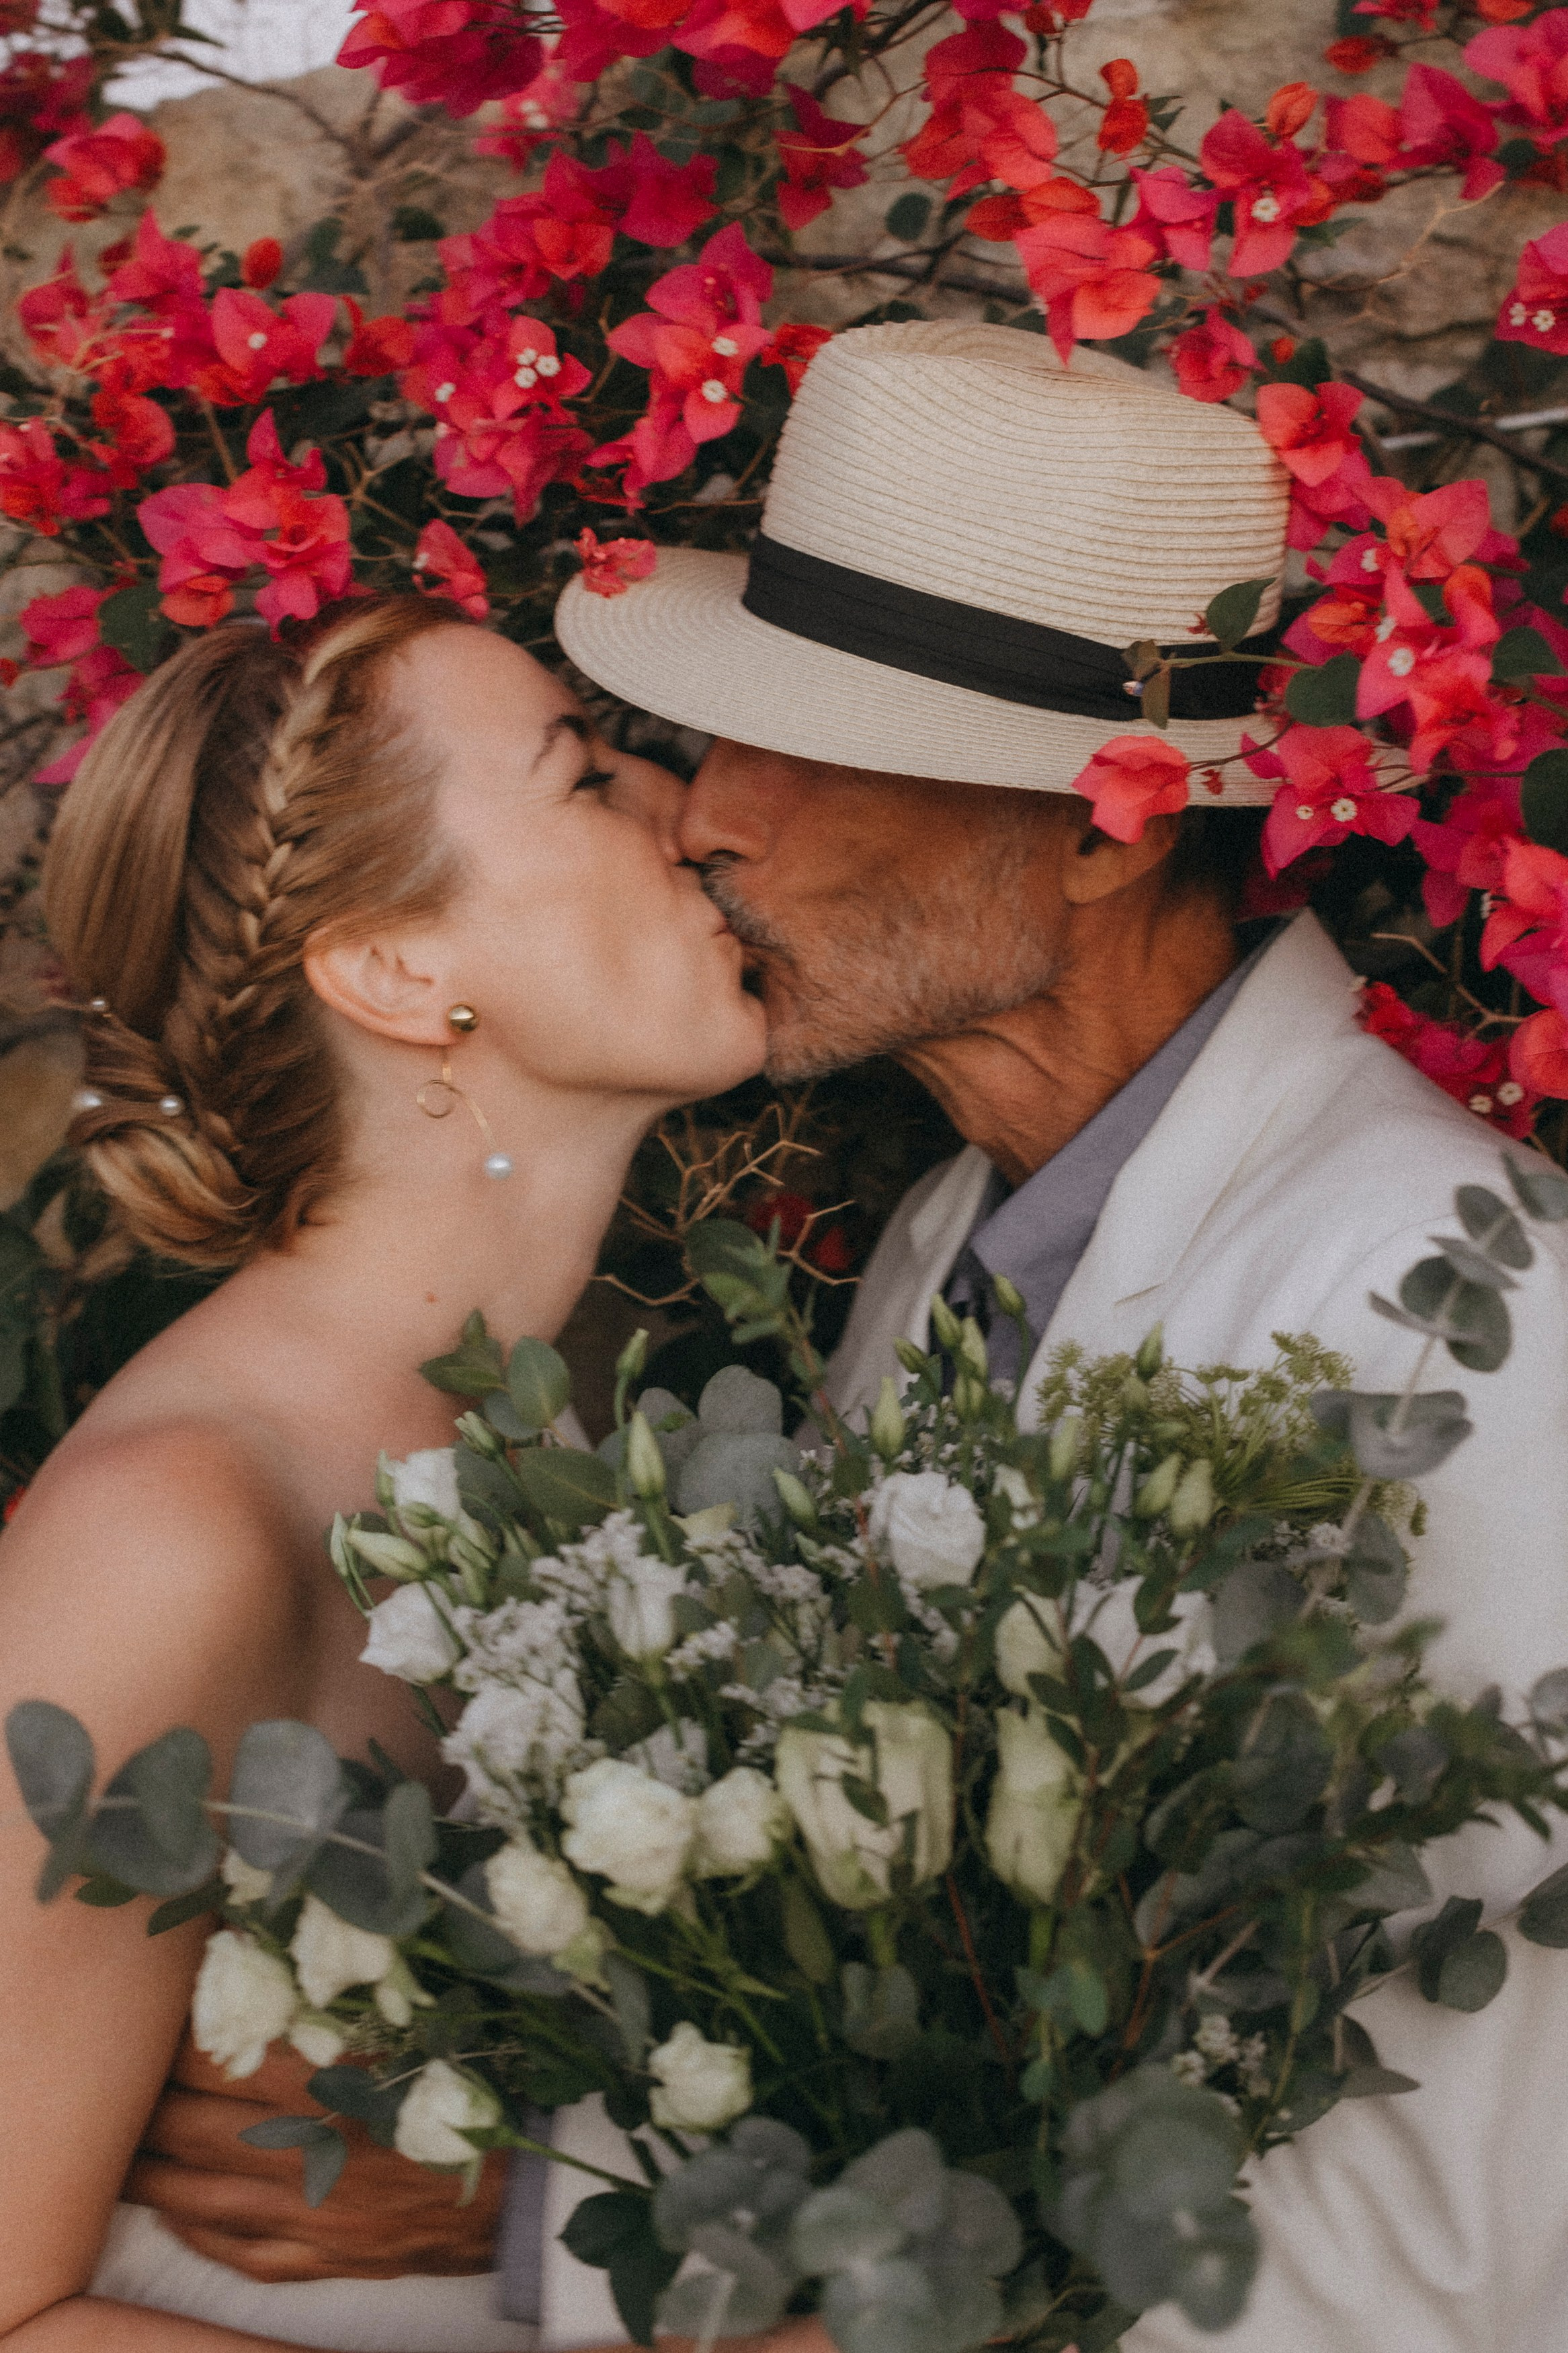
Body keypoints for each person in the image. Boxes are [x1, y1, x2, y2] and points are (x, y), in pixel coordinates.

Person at [128, 323, 1568, 2351]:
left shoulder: (1462, 1311)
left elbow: (1440, 2231)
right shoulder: (946, 1248)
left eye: (814, 744)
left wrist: (544, 2204)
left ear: (1104, 821)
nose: (708, 815)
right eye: (723, 734)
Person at [0, 592, 786, 2353]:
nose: (685, 805)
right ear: (396, 970)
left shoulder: (586, 1421)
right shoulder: (183, 1529)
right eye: (583, 774)